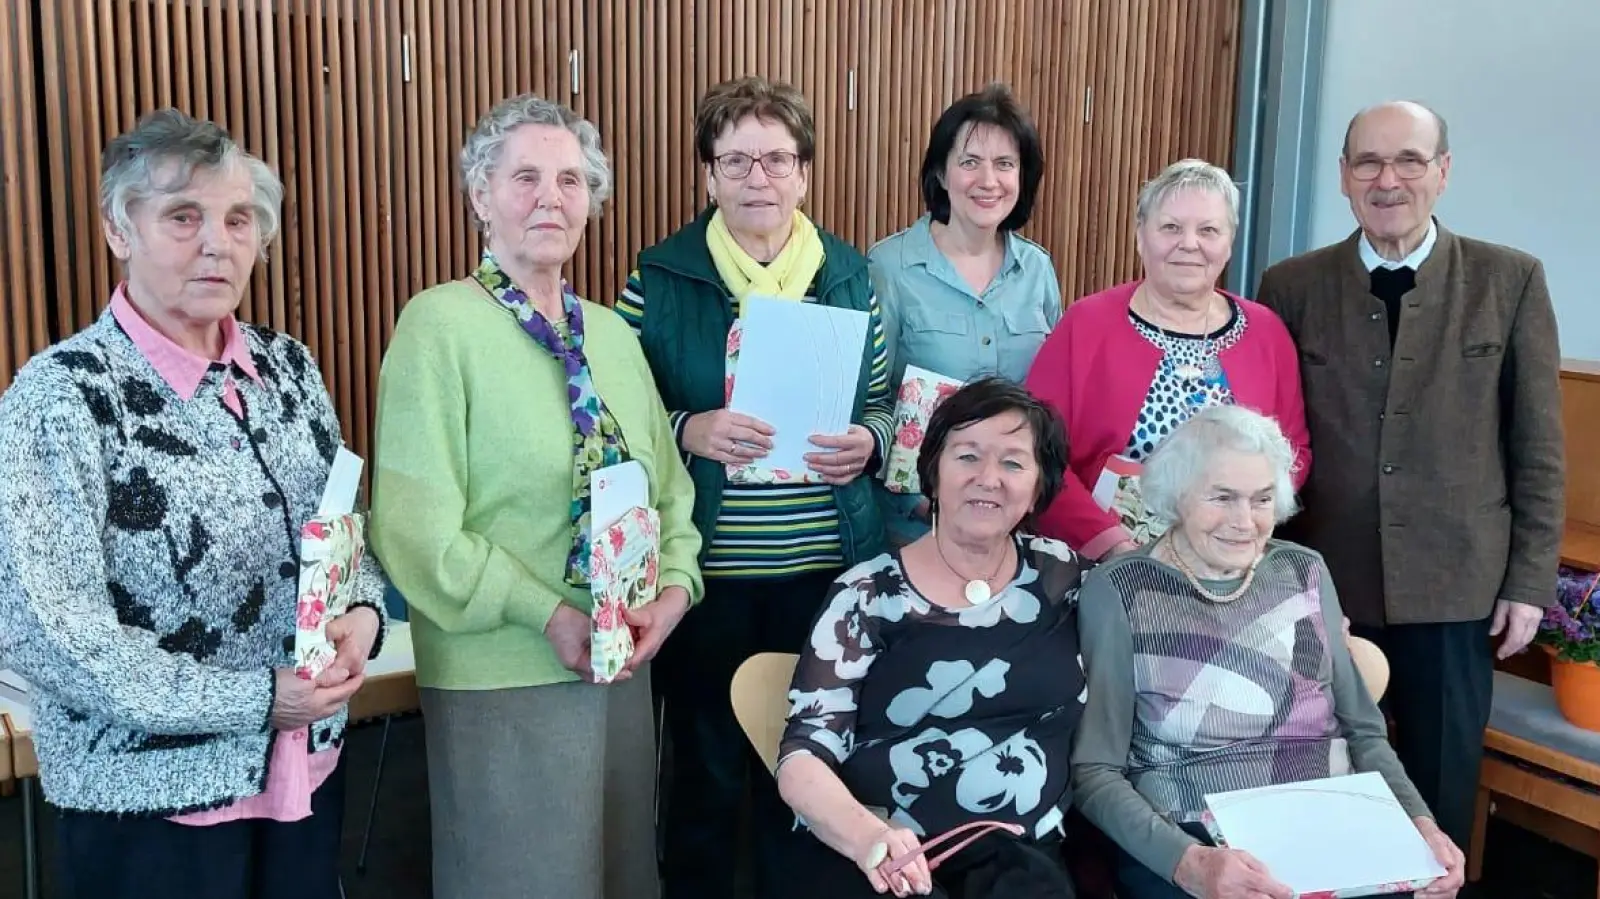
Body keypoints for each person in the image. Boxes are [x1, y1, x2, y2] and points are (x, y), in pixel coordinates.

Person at [0, 109, 388, 898]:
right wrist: (258, 700)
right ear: (119, 230)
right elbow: (52, 636)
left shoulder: (287, 366)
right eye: (184, 216)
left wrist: (365, 613)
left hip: (301, 768)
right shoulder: (62, 395)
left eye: (238, 218)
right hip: (150, 803)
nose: (218, 242)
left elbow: (344, 533)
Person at [369, 93, 704, 899]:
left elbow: (669, 492)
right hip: (502, 676)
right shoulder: (439, 325)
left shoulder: (614, 336)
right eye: (524, 177)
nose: (549, 197)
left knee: (622, 877)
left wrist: (674, 592)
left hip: (621, 671)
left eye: (570, 179)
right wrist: (546, 613)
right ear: (480, 196)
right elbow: (414, 530)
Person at [1256, 100, 1565, 851]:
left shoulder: (1509, 280)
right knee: (1316, 783)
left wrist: (1529, 581)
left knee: (1439, 792)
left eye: (1409, 161)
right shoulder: (1291, 286)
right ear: (1343, 176)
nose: (1387, 179)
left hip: (1457, 587)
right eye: (1368, 162)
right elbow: (1267, 439)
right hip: (1325, 585)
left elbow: (1539, 445)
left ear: (1443, 172)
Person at [614, 75, 895, 899]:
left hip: (827, 569)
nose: (757, 178)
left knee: (810, 760)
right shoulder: (660, 278)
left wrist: (870, 442)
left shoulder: (848, 275)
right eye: (735, 160)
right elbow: (621, 418)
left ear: (805, 171)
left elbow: (880, 399)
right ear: (707, 175)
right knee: (704, 764)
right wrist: (687, 429)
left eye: (776, 159)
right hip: (710, 572)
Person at [1072, 405, 1466, 899]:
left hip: (1331, 822)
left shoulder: (1304, 570)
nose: (1245, 521)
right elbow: (1095, 772)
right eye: (1222, 497)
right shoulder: (1121, 589)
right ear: (1176, 495)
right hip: (1192, 835)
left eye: (1261, 499)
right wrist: (1187, 864)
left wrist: (1420, 827)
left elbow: (1364, 731)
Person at [774, 377, 1084, 899]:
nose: (989, 478)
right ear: (933, 471)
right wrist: (872, 840)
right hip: (882, 850)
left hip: (1019, 862)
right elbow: (803, 756)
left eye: (1013, 462)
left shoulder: (1061, 576)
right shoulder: (867, 594)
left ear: (1039, 486)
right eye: (967, 456)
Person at [1025, 158, 1309, 560]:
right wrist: (1112, 546)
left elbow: (1294, 451)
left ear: (1229, 242)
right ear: (1141, 236)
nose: (1189, 244)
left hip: (1230, 562)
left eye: (1208, 230)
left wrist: (1246, 521)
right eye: (1171, 227)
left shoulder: (1267, 332)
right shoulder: (1086, 324)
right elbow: (1036, 448)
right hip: (1101, 561)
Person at [869, 83, 1062, 545]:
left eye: (1005, 164)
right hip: (917, 524)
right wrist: (914, 500)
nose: (988, 181)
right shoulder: (888, 266)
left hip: (1014, 523)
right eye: (970, 161)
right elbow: (869, 400)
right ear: (940, 171)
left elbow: (1052, 397)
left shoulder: (1037, 269)